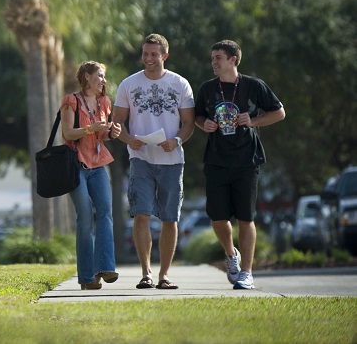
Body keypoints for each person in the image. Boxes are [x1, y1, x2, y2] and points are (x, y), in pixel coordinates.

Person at [194, 40, 285, 290]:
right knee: (217, 217)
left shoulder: (254, 86)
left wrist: (253, 121)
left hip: (247, 160)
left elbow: (279, 112)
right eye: (212, 58)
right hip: (216, 160)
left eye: (218, 58)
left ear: (233, 60)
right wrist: (204, 124)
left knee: (246, 217)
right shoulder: (207, 88)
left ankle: (246, 273)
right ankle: (230, 254)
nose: (213, 62)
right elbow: (198, 116)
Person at [113, 33, 195, 290]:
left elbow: (189, 123)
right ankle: (146, 273)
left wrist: (176, 141)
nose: (148, 59)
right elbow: (116, 123)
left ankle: (164, 275)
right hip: (141, 159)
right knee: (142, 214)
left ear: (165, 56)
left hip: (172, 160)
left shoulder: (180, 84)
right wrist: (128, 139)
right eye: (145, 54)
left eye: (153, 54)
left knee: (170, 218)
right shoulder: (128, 84)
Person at [60, 61, 123, 290]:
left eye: (104, 76)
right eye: (100, 75)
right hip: (76, 165)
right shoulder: (72, 101)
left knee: (105, 212)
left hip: (98, 165)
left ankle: (104, 268)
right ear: (87, 76)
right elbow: (67, 133)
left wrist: (111, 133)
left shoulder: (104, 102)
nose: (104, 81)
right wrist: (90, 129)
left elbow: (102, 135)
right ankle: (87, 278)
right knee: (85, 218)